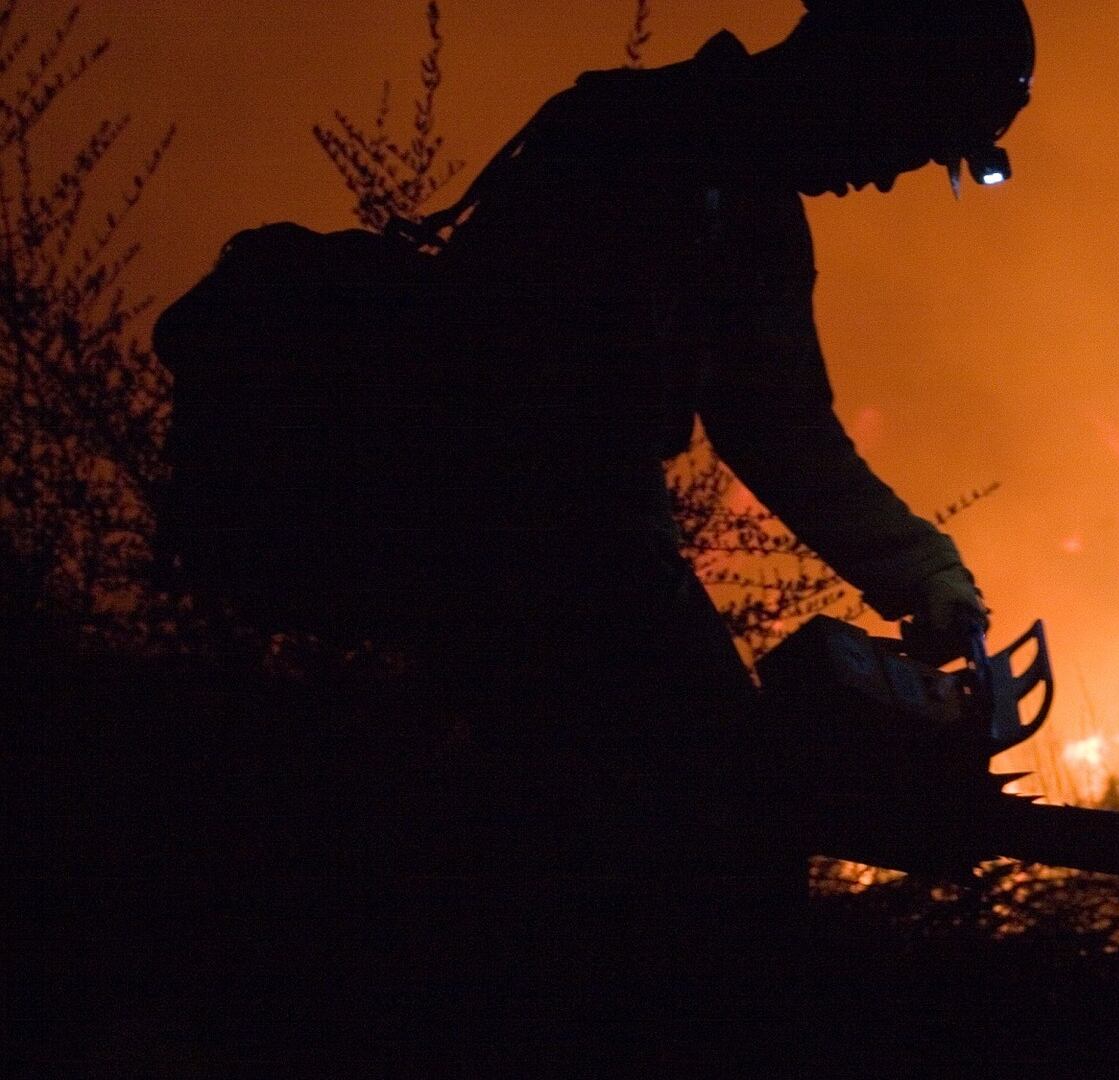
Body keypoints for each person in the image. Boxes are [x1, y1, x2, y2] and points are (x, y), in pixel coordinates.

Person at [151, 0, 1035, 1064]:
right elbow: (537, 425)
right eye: (910, 137)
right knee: (684, 868)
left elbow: (780, 427)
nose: (888, 173)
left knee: (648, 862)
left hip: (568, 555)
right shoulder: (629, 140)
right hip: (517, 557)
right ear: (868, 72)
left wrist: (921, 569)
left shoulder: (743, 203)